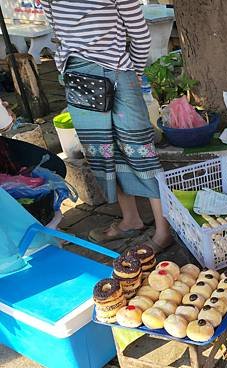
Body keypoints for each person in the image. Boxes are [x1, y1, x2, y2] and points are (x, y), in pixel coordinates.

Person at [40, 0, 172, 252]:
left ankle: (164, 230)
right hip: (78, 78)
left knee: (140, 152)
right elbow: (57, 33)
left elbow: (140, 34)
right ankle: (131, 219)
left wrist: (132, 71)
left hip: (119, 74)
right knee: (104, 153)